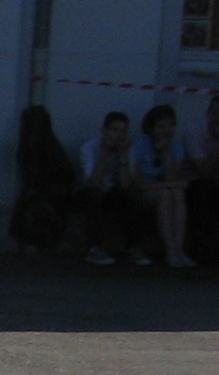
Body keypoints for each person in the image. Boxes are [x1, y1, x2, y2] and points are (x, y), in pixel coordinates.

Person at [79, 110, 150, 265]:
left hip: (114, 192)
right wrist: (105, 154)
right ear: (104, 130)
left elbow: (125, 184)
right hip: (92, 191)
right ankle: (95, 248)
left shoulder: (128, 148)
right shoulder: (89, 147)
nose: (119, 135)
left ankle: (133, 248)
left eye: (123, 131)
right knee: (94, 195)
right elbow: (93, 181)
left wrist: (123, 156)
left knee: (133, 195)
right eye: (114, 130)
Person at [136, 103, 194, 269]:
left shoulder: (177, 147)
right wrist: (171, 184)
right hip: (145, 194)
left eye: (170, 125)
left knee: (177, 193)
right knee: (167, 193)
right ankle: (171, 250)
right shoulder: (139, 145)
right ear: (151, 128)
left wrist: (166, 153)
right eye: (161, 126)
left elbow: (173, 178)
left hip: (163, 189)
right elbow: (138, 183)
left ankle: (179, 249)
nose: (166, 130)